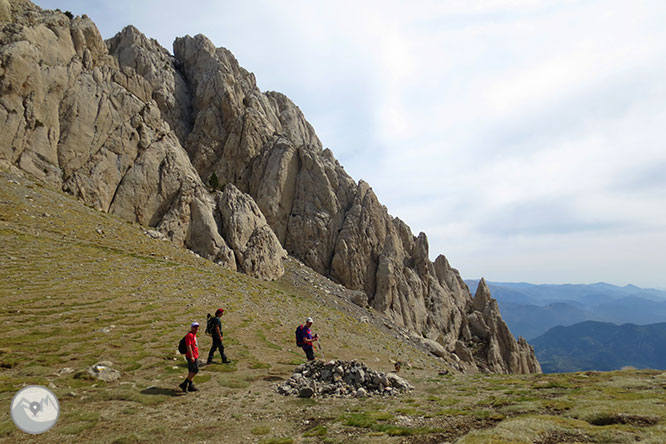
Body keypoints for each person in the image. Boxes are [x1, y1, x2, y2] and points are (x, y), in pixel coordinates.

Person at [179, 322, 200, 392]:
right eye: (195, 327)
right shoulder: (190, 335)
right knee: (195, 370)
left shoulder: (193, 335)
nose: (196, 329)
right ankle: (184, 384)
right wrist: (192, 356)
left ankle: (190, 386)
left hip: (195, 355)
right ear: (192, 328)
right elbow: (188, 346)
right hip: (192, 356)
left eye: (197, 327)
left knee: (191, 371)